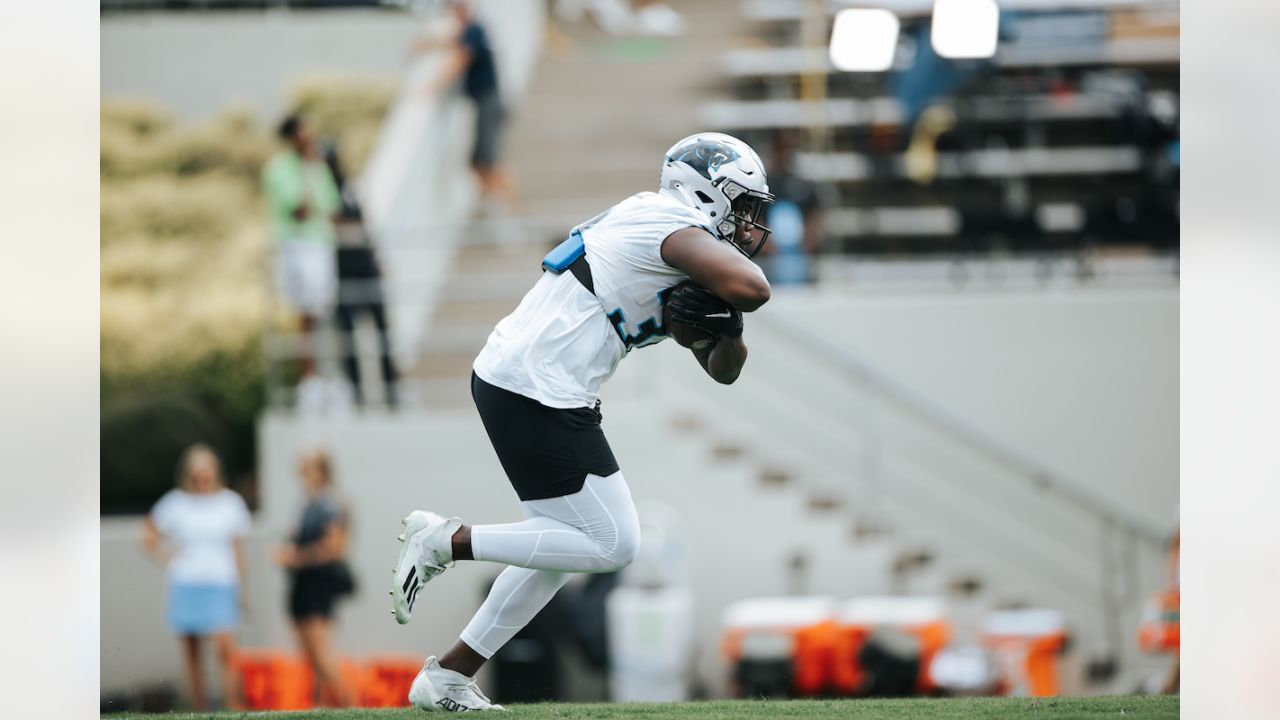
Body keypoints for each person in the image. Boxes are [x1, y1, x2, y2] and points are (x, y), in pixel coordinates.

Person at [389, 132, 775, 711]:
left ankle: (447, 676)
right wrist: (732, 303)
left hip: (531, 381)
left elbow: (724, 369)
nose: (750, 225)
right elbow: (753, 287)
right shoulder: (663, 221)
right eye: (743, 205)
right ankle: (447, 541)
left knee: (565, 546)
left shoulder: (679, 243)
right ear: (706, 193)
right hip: (535, 382)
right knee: (614, 542)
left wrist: (729, 327)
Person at [141, 444, 251, 711]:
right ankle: (199, 709)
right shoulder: (176, 503)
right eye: (196, 474)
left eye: (206, 473)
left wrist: (241, 588)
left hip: (221, 584)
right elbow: (148, 533)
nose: (202, 479)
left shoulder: (230, 503)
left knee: (225, 650)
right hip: (187, 583)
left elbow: (237, 549)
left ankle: (233, 707)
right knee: (193, 655)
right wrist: (165, 556)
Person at [262, 113, 343, 409]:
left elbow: (333, 207)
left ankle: (328, 378)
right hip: (297, 246)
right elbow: (300, 209)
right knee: (306, 312)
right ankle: (309, 378)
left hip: (321, 245)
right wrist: (309, 172)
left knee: (324, 311)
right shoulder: (279, 169)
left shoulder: (318, 166)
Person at [274, 449, 357, 707]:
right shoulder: (307, 502)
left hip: (318, 585)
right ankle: (323, 706)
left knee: (321, 656)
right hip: (302, 584)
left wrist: (296, 558)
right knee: (309, 657)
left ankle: (351, 706)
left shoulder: (329, 503)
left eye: (307, 467)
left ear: (321, 470)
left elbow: (335, 548)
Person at [412, 0, 515, 207]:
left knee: (488, 162)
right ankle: (494, 201)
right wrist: (423, 45)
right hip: (485, 104)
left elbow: (461, 59)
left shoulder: (475, 29)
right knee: (477, 162)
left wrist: (432, 86)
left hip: (489, 104)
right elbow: (450, 42)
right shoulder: (471, 31)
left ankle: (508, 205)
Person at [323, 142, 399, 409]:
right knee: (349, 342)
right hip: (343, 276)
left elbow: (364, 226)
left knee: (382, 333)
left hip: (365, 269)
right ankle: (357, 397)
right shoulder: (323, 193)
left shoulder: (350, 189)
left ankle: (393, 393)